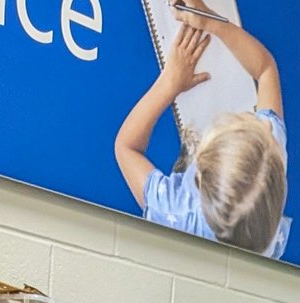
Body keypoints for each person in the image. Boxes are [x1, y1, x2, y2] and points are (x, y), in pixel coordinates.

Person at [115, 4, 289, 257]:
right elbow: (265, 70)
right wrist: (212, 21)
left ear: (199, 176)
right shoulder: (268, 165)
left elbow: (126, 147)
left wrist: (170, 82)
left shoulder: (177, 211)